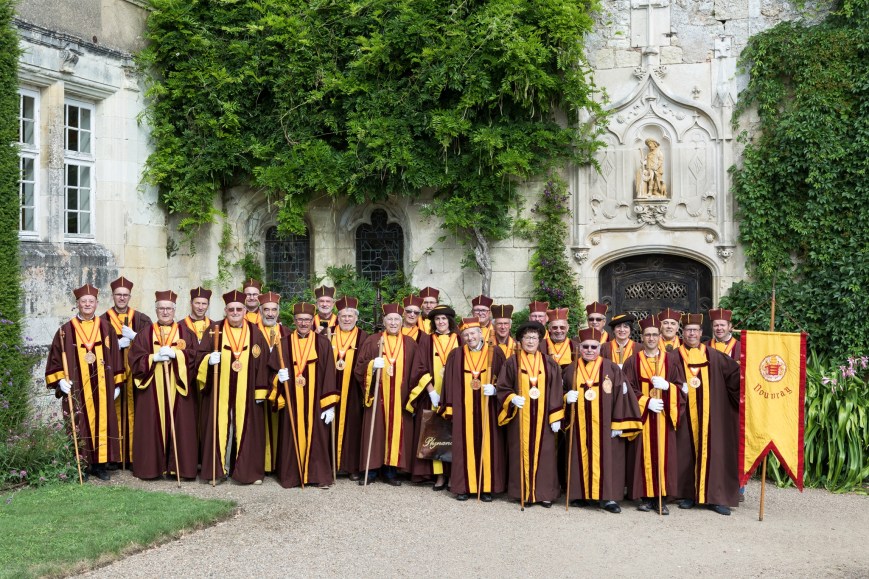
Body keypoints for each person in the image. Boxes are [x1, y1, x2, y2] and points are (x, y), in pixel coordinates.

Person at [45, 284, 123, 481]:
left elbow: (115, 356)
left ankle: (100, 465)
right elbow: (55, 359)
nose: (87, 304)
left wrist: (117, 384)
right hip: (78, 387)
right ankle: (81, 465)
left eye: (91, 301)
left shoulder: (106, 328)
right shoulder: (64, 331)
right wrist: (60, 380)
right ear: (77, 304)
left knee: (103, 422)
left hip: (103, 387)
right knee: (79, 422)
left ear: (96, 303)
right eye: (83, 301)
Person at [563, 327, 642, 513]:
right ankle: (582, 494)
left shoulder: (611, 368)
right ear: (579, 348)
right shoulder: (570, 370)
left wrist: (619, 423)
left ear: (600, 348)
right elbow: (559, 394)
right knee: (579, 456)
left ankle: (608, 498)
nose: (589, 350)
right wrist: (566, 398)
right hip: (580, 425)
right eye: (585, 347)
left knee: (608, 459)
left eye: (593, 347)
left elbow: (623, 396)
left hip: (606, 426)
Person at [197, 290, 271, 485]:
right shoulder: (214, 330)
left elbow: (263, 362)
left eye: (239, 309)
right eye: (232, 309)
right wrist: (207, 360)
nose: (235, 312)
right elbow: (198, 357)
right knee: (220, 428)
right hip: (219, 392)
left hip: (247, 392)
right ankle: (217, 471)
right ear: (225, 311)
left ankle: (248, 473)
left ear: (245, 310)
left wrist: (261, 391)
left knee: (246, 429)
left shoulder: (255, 333)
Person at [354, 303, 431, 486]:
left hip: (400, 397)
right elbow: (359, 368)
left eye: (397, 319)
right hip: (377, 396)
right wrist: (372, 366)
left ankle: (390, 470)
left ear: (402, 321)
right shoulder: (373, 341)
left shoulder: (410, 344)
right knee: (376, 431)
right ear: (384, 321)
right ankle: (371, 470)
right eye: (390, 319)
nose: (394, 323)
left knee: (396, 432)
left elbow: (418, 369)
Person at [674, 313, 741, 515]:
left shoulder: (715, 356)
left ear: (701, 333)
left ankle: (716, 497)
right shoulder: (673, 357)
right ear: (682, 333)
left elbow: (737, 380)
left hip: (713, 416)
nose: (691, 333)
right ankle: (687, 494)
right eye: (687, 330)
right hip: (685, 415)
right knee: (684, 452)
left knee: (716, 454)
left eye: (695, 330)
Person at [129, 290, 198, 480]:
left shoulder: (186, 333)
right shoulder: (145, 334)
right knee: (152, 425)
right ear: (156, 309)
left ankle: (179, 468)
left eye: (168, 308)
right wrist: (154, 357)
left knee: (181, 425)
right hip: (152, 388)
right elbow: (134, 359)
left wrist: (178, 355)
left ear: (174, 310)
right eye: (161, 308)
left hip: (178, 387)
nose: (165, 312)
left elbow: (195, 358)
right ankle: (151, 468)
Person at [269, 302, 338, 489]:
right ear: (294, 321)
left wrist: (330, 404)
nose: (304, 323)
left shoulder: (323, 343)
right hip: (291, 399)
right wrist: (278, 379)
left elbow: (330, 373)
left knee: (317, 437)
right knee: (291, 436)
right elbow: (272, 372)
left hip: (316, 402)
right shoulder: (282, 344)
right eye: (300, 320)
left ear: (312, 320)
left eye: (307, 320)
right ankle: (291, 477)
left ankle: (318, 477)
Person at [496, 321, 564, 508]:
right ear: (521, 340)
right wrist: (511, 398)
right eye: (527, 337)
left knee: (547, 455)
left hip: (544, 420)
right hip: (520, 418)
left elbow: (557, 389)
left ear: (540, 340)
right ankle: (522, 492)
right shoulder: (512, 362)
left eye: (534, 337)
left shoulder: (549, 363)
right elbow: (502, 387)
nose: (531, 341)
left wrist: (556, 415)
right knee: (519, 453)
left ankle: (545, 494)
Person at [622, 316, 685, 514]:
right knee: (642, 456)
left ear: (660, 337)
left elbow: (681, 388)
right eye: (647, 335)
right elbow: (628, 388)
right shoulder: (632, 361)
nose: (651, 338)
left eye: (654, 335)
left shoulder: (671, 360)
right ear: (641, 337)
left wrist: (668, 388)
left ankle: (662, 498)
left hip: (664, 416)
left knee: (664, 456)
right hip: (643, 417)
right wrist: (646, 402)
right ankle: (646, 498)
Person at [439, 317, 507, 501]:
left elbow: (505, 379)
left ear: (480, 333)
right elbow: (449, 384)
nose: (470, 338)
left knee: (489, 444)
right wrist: (450, 407)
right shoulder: (456, 355)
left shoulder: (496, 353)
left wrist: (497, 389)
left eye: (473, 333)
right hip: (464, 409)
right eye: (466, 335)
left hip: (489, 408)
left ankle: (486, 488)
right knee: (463, 446)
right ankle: (464, 487)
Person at [101, 276, 152, 468]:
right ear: (112, 296)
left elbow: (152, 344)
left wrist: (136, 337)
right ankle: (115, 457)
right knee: (112, 413)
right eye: (118, 295)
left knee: (137, 412)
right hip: (112, 375)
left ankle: (133, 455)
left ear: (130, 296)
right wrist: (115, 345)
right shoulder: (102, 320)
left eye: (125, 295)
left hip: (137, 375)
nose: (121, 298)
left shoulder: (141, 319)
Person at [411, 304, 460, 489]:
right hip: (434, 395)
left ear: (450, 321)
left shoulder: (460, 339)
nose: (441, 322)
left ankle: (453, 475)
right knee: (436, 433)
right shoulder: (427, 340)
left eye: (444, 319)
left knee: (454, 433)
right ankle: (439, 475)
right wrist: (431, 391)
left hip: (455, 396)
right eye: (437, 319)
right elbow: (420, 367)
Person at [329, 296, 368, 480]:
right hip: (330, 389)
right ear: (337, 317)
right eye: (343, 315)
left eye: (350, 315)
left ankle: (351, 466)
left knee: (353, 427)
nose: (346, 319)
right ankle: (329, 465)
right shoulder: (327, 334)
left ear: (356, 317)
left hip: (353, 390)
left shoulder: (364, 337)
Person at [258, 291, 290, 474]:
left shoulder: (287, 333)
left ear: (278, 311)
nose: (270, 313)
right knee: (259, 427)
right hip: (258, 387)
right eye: (266, 310)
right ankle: (262, 465)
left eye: (274, 310)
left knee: (280, 427)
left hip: (279, 388)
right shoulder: (252, 332)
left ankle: (278, 465)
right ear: (260, 311)